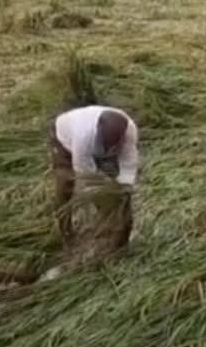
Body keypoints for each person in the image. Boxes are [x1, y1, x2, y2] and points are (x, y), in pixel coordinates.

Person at [50, 105, 139, 249]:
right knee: (65, 185)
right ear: (98, 131)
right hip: (66, 143)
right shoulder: (83, 134)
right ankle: (66, 232)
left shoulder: (129, 130)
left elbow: (128, 162)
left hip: (102, 154)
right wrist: (102, 194)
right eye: (107, 141)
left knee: (121, 197)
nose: (111, 145)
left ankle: (119, 240)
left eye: (115, 142)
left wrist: (125, 186)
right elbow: (85, 171)